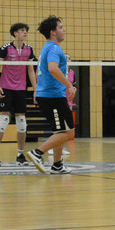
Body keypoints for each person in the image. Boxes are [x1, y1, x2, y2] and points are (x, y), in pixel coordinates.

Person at [25, 16, 76, 174]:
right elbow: (53, 69)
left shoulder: (46, 48)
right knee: (69, 133)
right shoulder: (54, 48)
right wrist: (69, 85)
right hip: (53, 96)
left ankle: (57, 165)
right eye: (60, 27)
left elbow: (40, 73)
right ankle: (37, 153)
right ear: (53, 32)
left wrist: (38, 90)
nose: (64, 30)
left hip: (48, 95)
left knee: (59, 132)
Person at [0, 23, 37, 166]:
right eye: (22, 31)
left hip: (21, 89)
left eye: (26, 31)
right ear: (15, 33)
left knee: (22, 122)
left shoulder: (29, 49)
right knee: (4, 119)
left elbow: (30, 71)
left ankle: (20, 155)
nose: (25, 33)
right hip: (6, 87)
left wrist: (36, 90)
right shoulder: (5, 49)